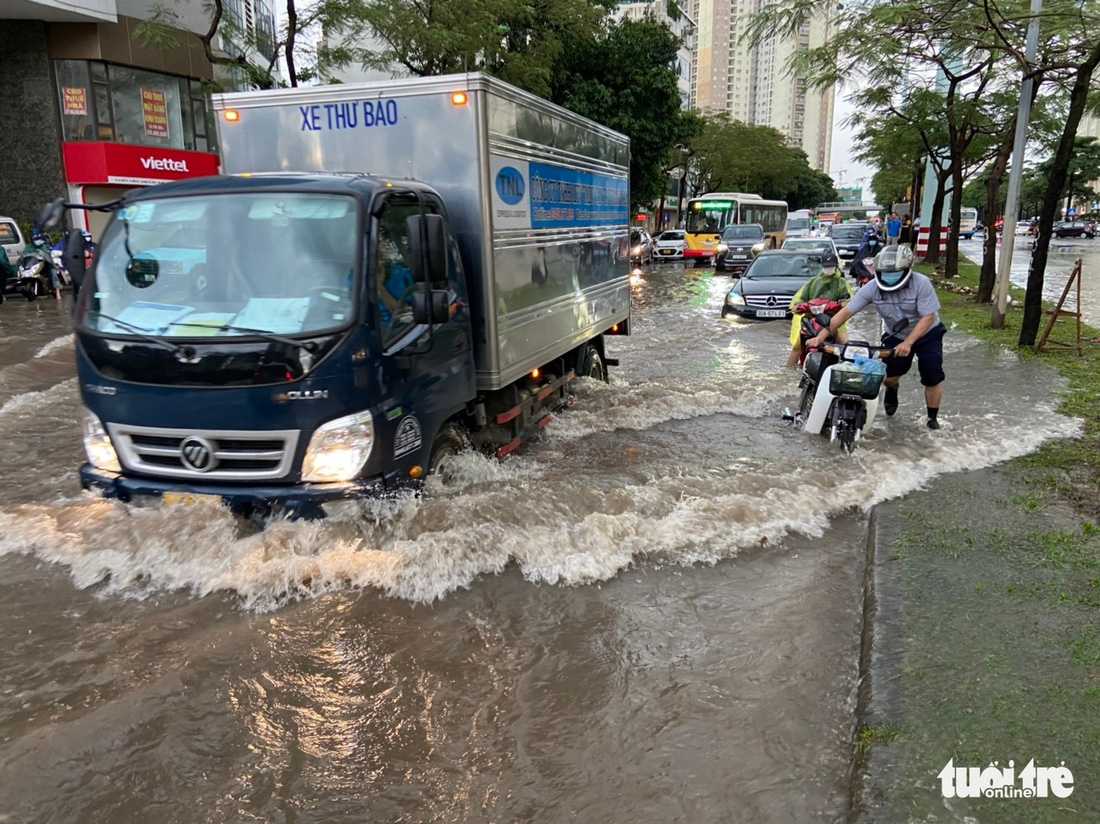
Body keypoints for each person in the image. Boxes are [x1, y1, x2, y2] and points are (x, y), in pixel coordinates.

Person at [807, 245, 946, 430]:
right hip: (895, 334)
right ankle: (892, 388)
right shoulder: (872, 288)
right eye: (885, 272)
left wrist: (909, 342)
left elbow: (928, 317)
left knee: (932, 374)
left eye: (894, 272)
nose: (889, 276)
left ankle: (932, 418)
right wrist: (820, 336)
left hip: (928, 333)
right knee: (889, 377)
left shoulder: (921, 283)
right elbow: (846, 312)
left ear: (907, 269)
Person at [785, 248, 853, 367]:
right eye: (826, 266)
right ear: (822, 266)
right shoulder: (813, 282)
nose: (828, 269)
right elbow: (799, 298)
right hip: (812, 321)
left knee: (847, 346)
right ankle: (787, 371)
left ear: (836, 266)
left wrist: (841, 305)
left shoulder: (842, 283)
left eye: (831, 266)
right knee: (797, 347)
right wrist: (796, 306)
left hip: (834, 321)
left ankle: (850, 370)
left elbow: (851, 302)